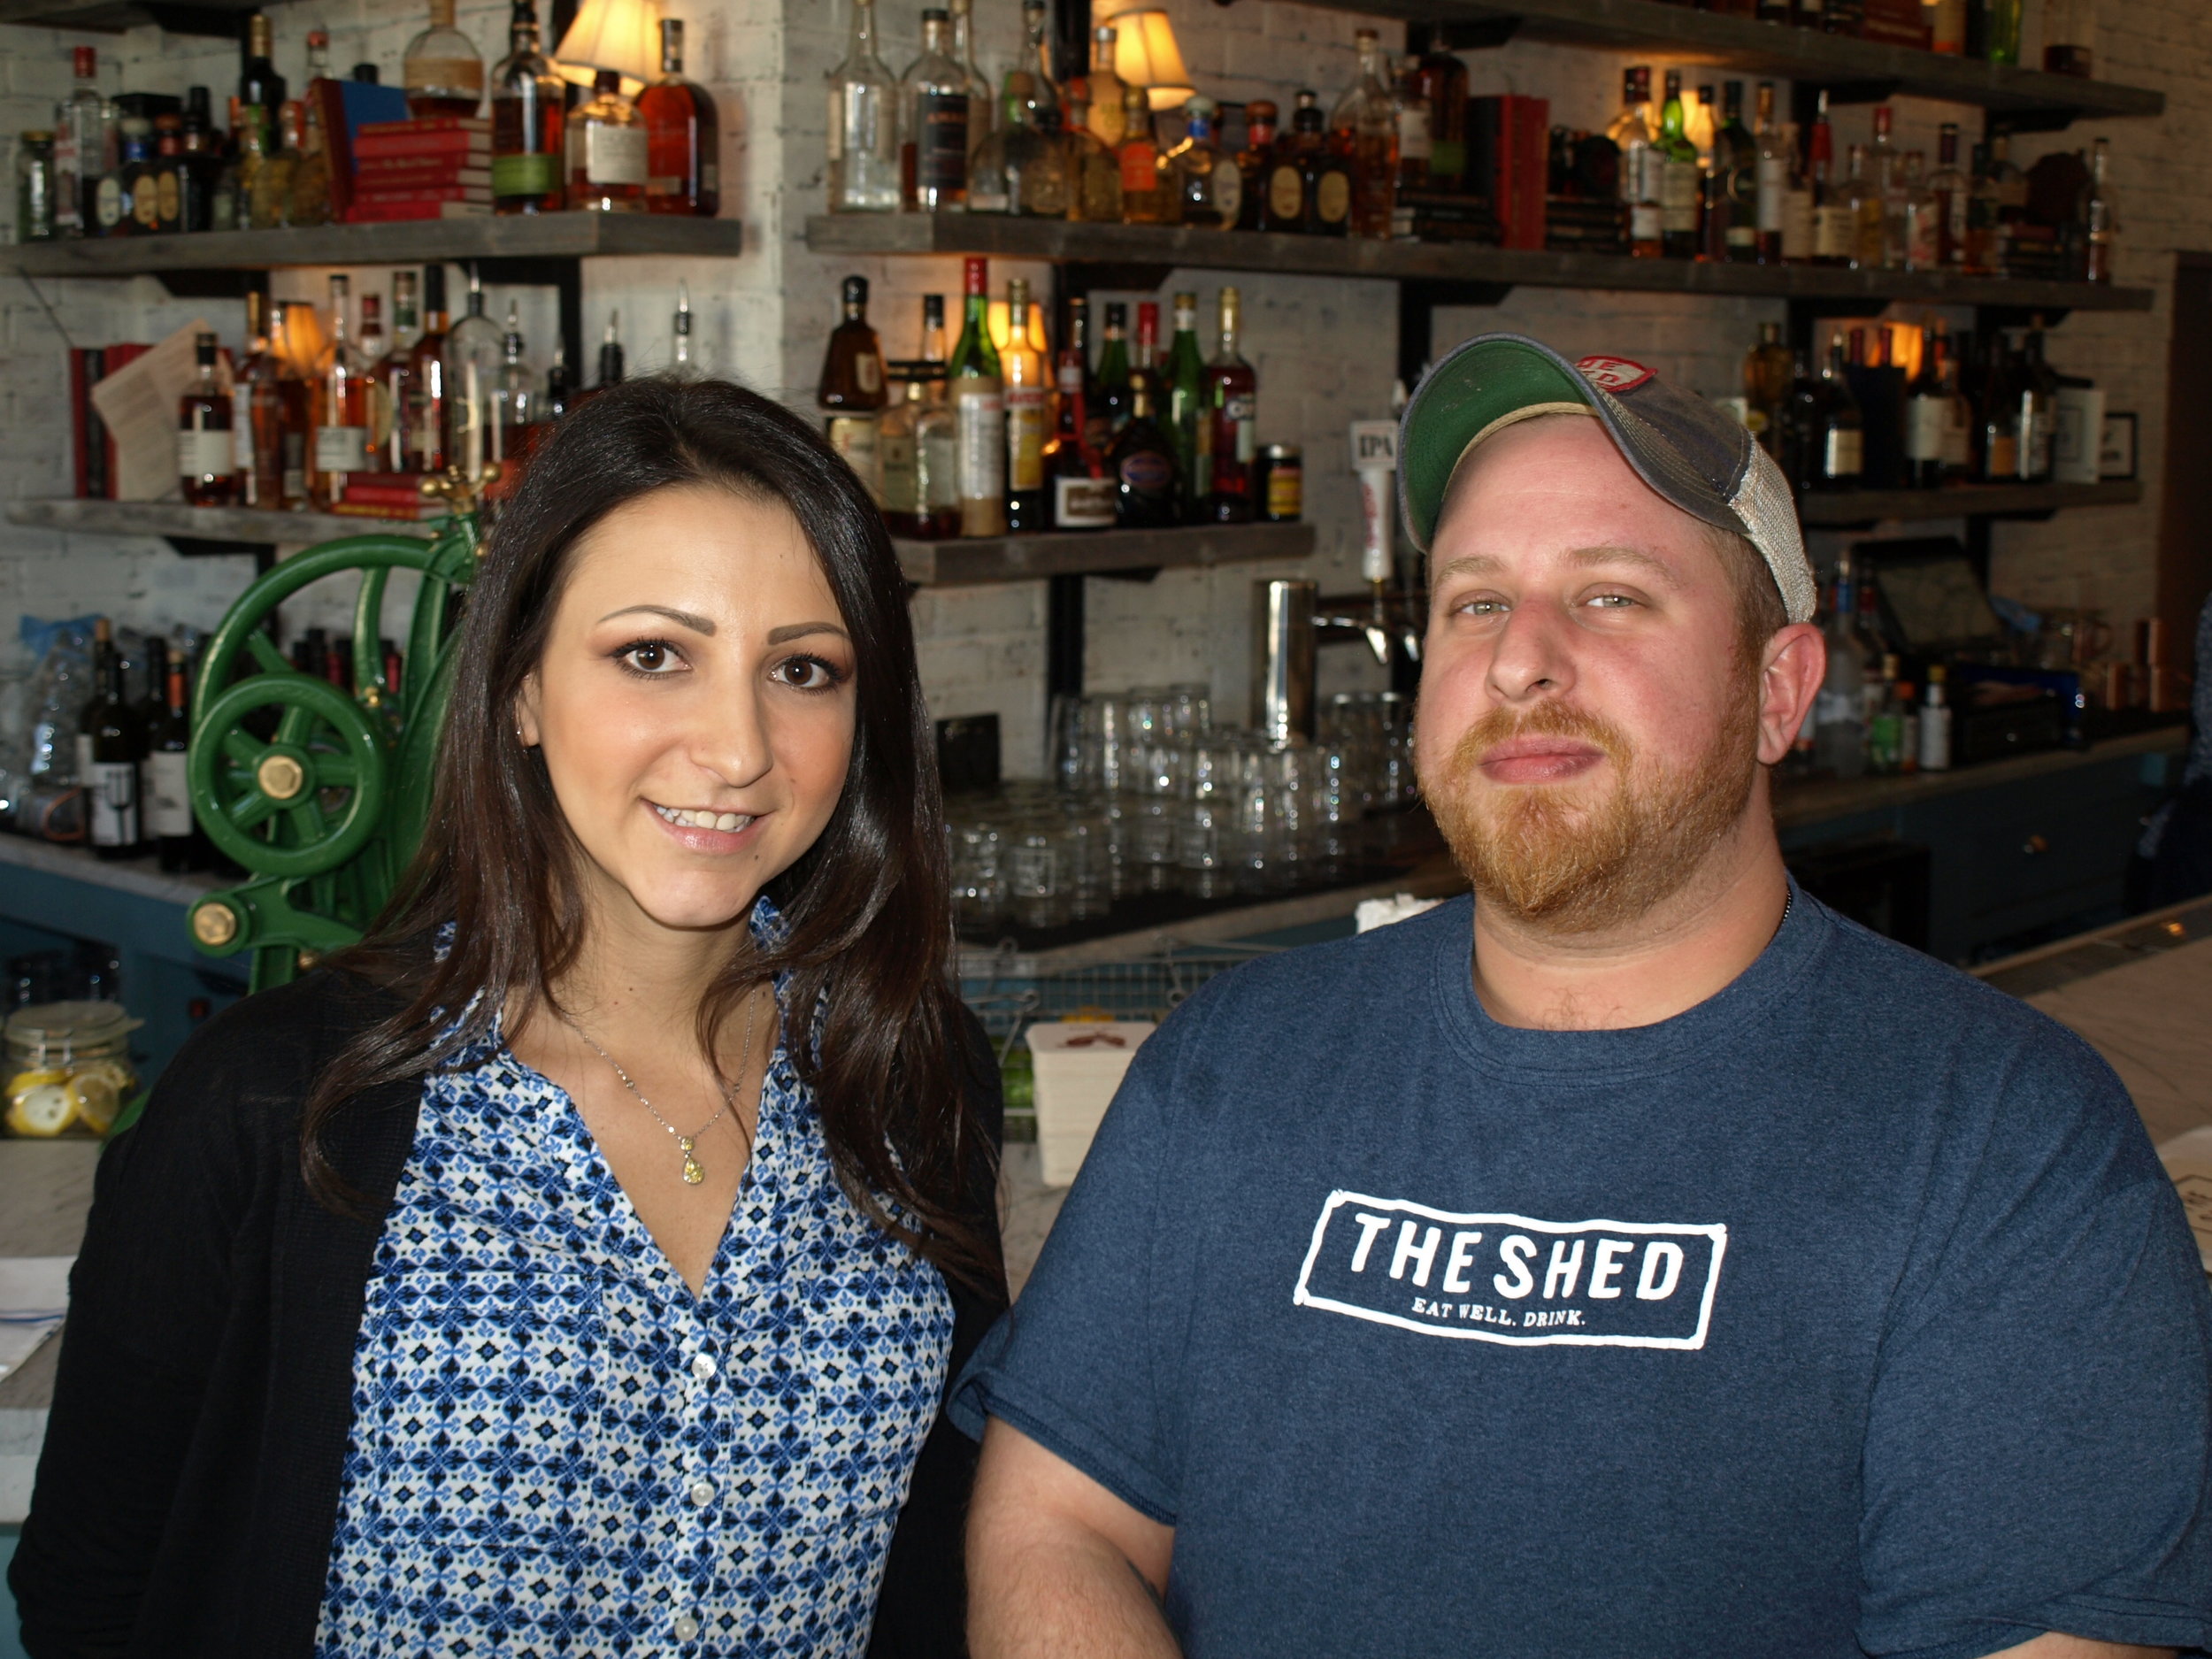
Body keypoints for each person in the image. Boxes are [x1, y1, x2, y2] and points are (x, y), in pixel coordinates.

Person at [956, 335, 2212, 1658]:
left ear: (1779, 690)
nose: (1519, 663)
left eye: (1611, 597)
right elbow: (1058, 1528)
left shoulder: (2008, 1145)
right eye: (1475, 602)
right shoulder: (1230, 1063)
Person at [14, 378, 1006, 1658]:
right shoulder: (270, 1104)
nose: (739, 747)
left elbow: (942, 1563)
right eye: (654, 655)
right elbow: (95, 1589)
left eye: (802, 670)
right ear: (523, 687)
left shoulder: (913, 1079)